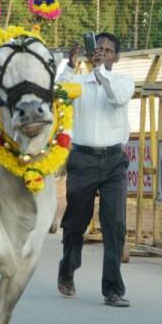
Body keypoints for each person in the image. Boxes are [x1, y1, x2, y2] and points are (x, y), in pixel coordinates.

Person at [56, 32, 135, 307]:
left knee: (115, 225)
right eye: (98, 48)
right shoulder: (79, 82)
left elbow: (116, 98)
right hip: (83, 160)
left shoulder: (123, 81)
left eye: (108, 50)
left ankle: (113, 289)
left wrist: (101, 72)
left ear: (116, 57)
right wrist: (70, 65)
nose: (102, 53)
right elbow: (58, 92)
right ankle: (67, 268)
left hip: (114, 161)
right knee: (76, 223)